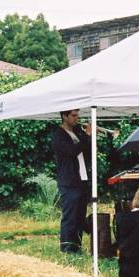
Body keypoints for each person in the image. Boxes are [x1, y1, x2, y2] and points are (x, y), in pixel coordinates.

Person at [51, 109, 91, 254]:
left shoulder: (76, 133)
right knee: (70, 216)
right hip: (68, 180)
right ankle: (67, 248)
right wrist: (86, 135)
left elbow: (85, 153)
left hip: (81, 179)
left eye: (77, 115)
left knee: (80, 215)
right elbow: (71, 151)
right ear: (64, 116)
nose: (76, 118)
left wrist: (89, 138)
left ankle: (76, 247)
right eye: (73, 116)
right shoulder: (59, 135)